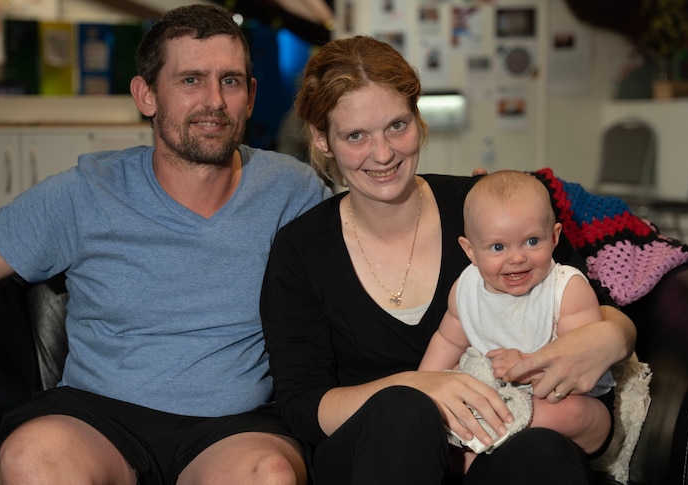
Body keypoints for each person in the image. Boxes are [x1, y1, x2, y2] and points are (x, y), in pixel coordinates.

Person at [0, 5, 329, 485]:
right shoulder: (86, 192)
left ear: (251, 95)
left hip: (238, 428)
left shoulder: (292, 191)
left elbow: (369, 266)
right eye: (191, 80)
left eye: (231, 81)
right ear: (147, 95)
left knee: (269, 476)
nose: (214, 101)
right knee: (32, 460)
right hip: (98, 419)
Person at [259, 35, 635, 484]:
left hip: (498, 443)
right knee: (404, 412)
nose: (383, 153)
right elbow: (301, 405)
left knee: (542, 449)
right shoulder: (301, 249)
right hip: (374, 452)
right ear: (322, 139)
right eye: (356, 135)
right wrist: (417, 386)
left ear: (418, 117)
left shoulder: (485, 206)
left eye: (397, 125)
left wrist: (616, 334)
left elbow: (580, 295)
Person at [418, 170, 614, 465]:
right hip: (504, 397)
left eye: (532, 241)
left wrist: (527, 366)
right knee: (462, 409)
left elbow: (579, 365)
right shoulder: (466, 289)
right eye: (498, 247)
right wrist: (422, 391)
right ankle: (479, 448)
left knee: (561, 413)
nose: (517, 257)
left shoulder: (567, 289)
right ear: (470, 251)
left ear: (554, 237)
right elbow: (447, 339)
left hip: (570, 400)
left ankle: (484, 438)